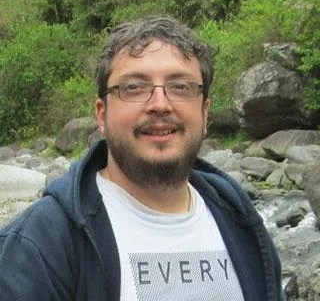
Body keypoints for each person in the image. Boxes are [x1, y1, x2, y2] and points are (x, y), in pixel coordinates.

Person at [0, 16, 285, 300]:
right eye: (134, 87)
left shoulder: (242, 221)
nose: (160, 104)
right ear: (102, 114)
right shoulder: (39, 245)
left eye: (180, 87)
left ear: (205, 112)